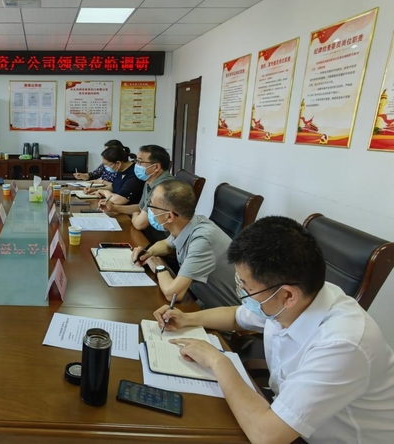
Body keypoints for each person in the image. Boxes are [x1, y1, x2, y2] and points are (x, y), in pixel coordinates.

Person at [153, 216, 394, 444]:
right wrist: (186, 318)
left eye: (246, 287)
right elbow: (237, 317)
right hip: (287, 418)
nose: (242, 293)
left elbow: (266, 435)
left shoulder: (342, 344)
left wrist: (217, 361)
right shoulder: (294, 298)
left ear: (288, 296)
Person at [132, 180, 238, 308]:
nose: (150, 210)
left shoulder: (203, 240)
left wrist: (159, 267)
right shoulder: (188, 223)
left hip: (226, 315)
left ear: (169, 217)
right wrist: (148, 253)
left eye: (152, 206)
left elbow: (173, 294)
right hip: (202, 301)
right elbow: (167, 244)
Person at [98, 145, 174, 243]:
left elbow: (139, 224)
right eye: (136, 161)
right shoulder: (149, 181)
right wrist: (114, 208)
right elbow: (140, 208)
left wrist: (135, 215)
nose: (136, 165)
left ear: (156, 167)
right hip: (148, 234)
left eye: (140, 162)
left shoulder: (163, 188)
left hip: (159, 240)